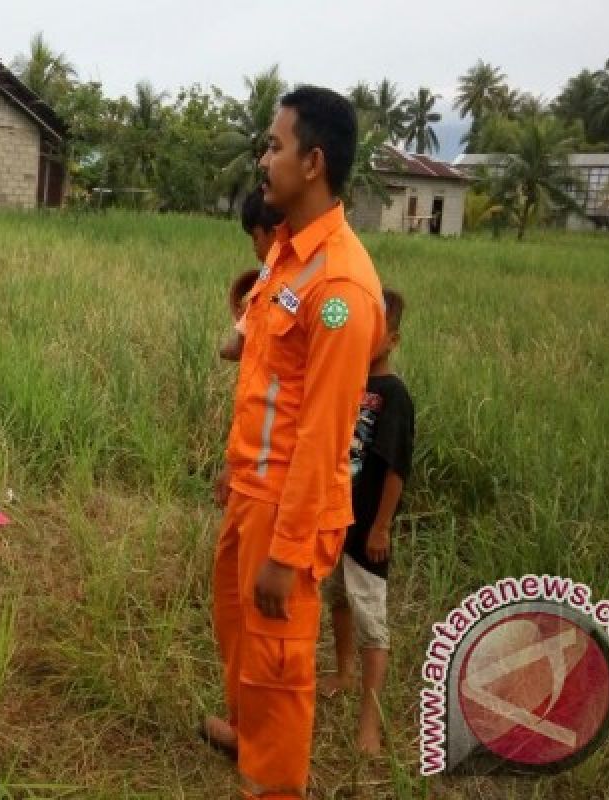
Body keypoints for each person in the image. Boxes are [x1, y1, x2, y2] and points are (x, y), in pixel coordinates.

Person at [207, 86, 386, 799]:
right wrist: (230, 468)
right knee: (241, 639)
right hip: (250, 491)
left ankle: (273, 779)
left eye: (275, 146)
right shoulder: (286, 255)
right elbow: (262, 384)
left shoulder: (339, 284)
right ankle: (251, 739)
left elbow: (322, 434)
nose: (264, 158)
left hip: (287, 509)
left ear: (312, 162)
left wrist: (286, 553)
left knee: (277, 663)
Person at [319, 288, 414, 756]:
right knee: (336, 598)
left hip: (367, 530)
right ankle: (342, 672)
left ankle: (369, 727)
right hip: (336, 518)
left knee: (371, 621)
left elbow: (396, 466)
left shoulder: (393, 394)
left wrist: (381, 527)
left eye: (375, 330)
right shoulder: (353, 381)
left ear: (391, 339)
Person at [220, 188, 285, 362]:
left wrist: (218, 351)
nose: (254, 248)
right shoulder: (271, 274)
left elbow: (237, 348)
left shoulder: (273, 280)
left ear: (275, 233)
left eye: (256, 238)